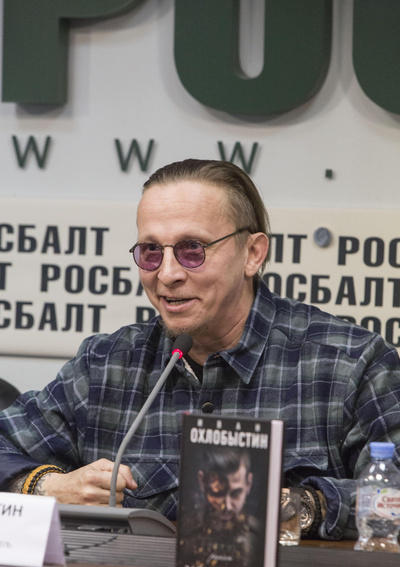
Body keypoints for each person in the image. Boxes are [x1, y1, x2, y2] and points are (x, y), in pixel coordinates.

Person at [1, 158, 400, 541]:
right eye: (150, 251)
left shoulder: (350, 364)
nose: (167, 274)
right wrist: (44, 486)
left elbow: (392, 494)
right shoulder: (106, 365)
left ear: (252, 254)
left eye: (192, 249)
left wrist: (301, 507)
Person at [176, 447, 262, 567]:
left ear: (248, 483)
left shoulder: (260, 538)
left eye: (236, 494)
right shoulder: (186, 535)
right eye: (217, 493)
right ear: (202, 481)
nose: (227, 506)